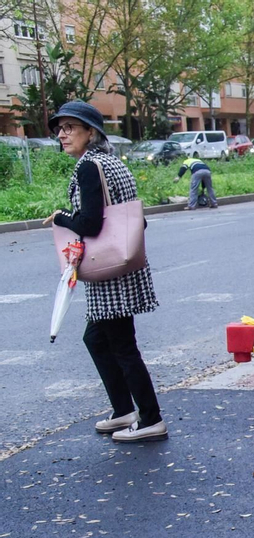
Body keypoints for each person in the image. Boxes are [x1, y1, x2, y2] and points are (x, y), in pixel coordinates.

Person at [44, 101, 165, 442]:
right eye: (60, 128)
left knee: (123, 347)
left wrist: (60, 218)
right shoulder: (113, 163)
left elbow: (91, 224)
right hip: (122, 263)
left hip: (108, 272)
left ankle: (151, 419)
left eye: (70, 127)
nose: (62, 134)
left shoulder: (89, 166)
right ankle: (124, 409)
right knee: (96, 338)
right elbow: (133, 216)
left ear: (91, 132)